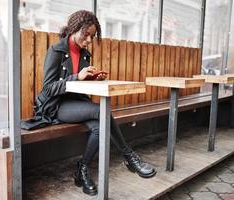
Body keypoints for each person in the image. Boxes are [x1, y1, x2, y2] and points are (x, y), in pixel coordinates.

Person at [33, 10, 156, 196]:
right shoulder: (56, 51)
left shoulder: (85, 54)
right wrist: (77, 77)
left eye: (92, 36)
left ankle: (81, 170)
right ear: (74, 29)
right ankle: (129, 156)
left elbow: (80, 85)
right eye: (86, 35)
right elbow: (48, 88)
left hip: (76, 104)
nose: (89, 40)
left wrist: (92, 79)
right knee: (101, 112)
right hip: (56, 106)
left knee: (100, 126)